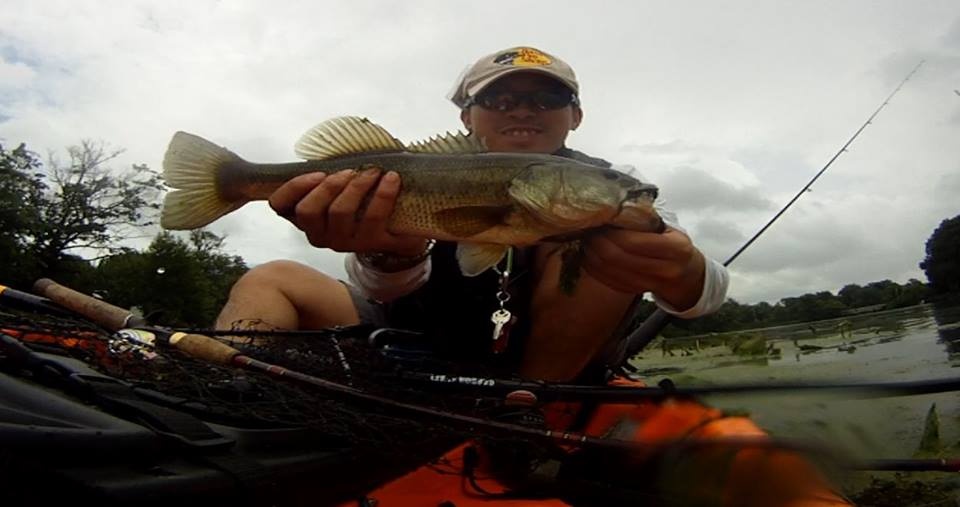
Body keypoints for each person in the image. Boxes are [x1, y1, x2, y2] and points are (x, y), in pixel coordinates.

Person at [215, 46, 728, 383]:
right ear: (466, 117)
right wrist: (389, 254)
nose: (522, 110)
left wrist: (682, 272)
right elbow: (379, 291)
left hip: (542, 369)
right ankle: (223, 387)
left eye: (547, 98)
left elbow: (706, 291)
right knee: (273, 277)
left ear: (575, 116)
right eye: (498, 98)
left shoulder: (611, 189)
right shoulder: (421, 168)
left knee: (600, 249)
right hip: (412, 344)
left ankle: (525, 413)